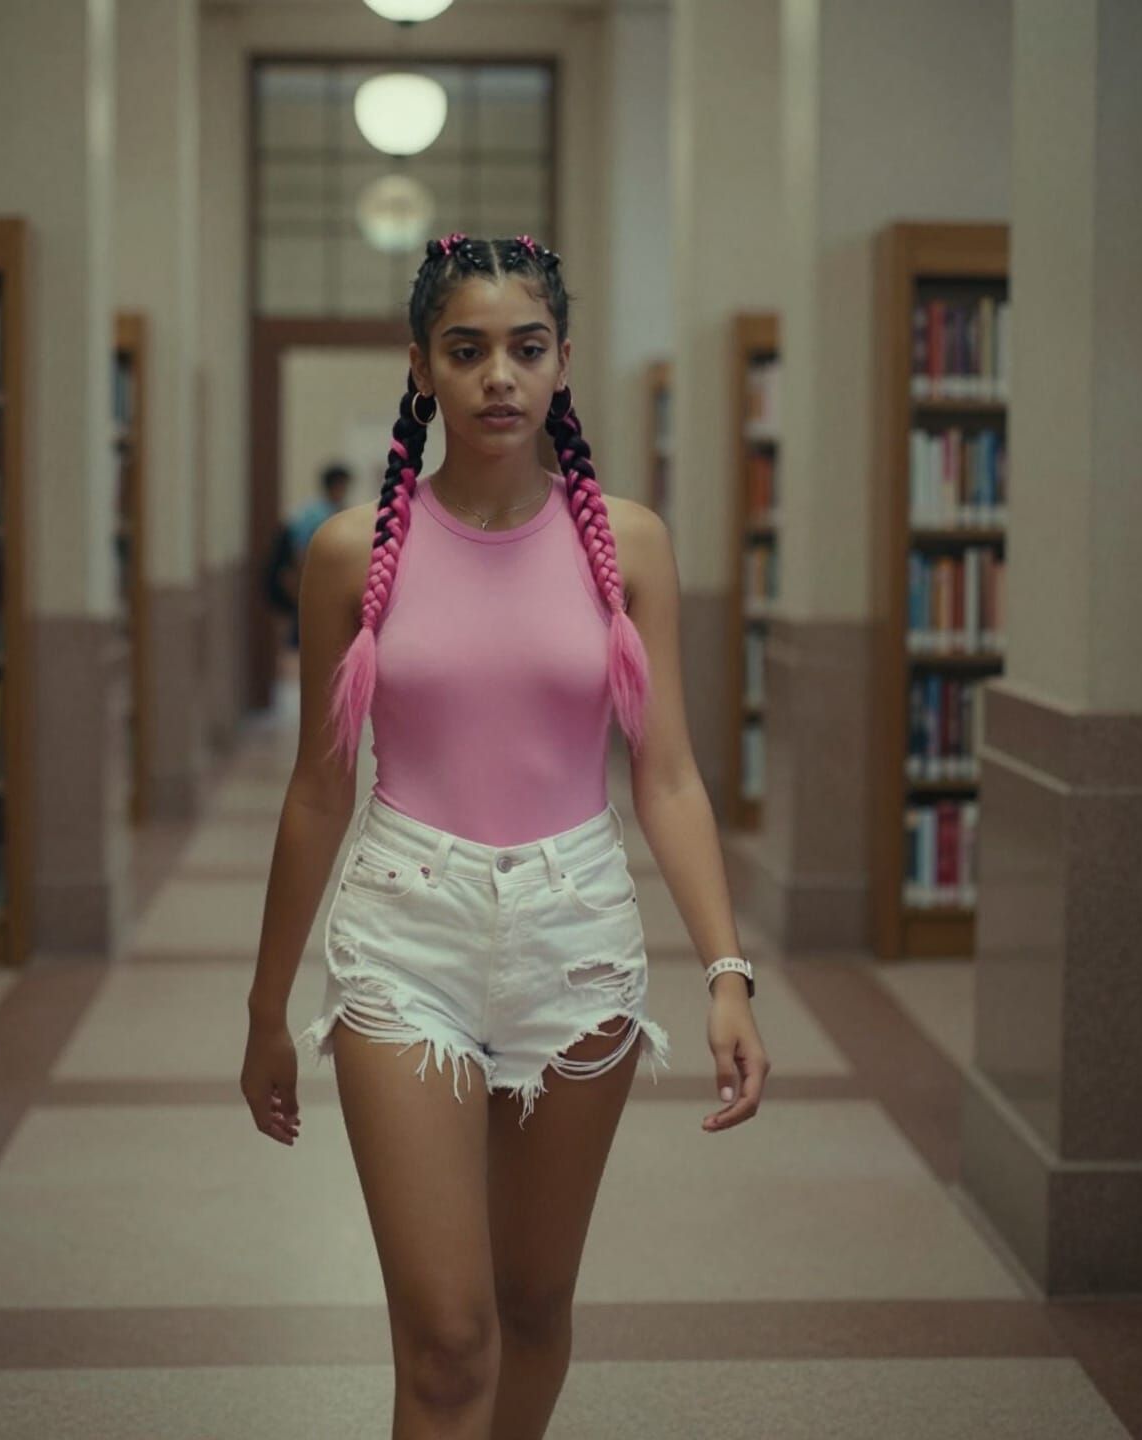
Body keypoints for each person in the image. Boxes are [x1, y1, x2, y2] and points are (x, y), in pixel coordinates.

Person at [240, 232, 770, 1437]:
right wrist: (268, 1005)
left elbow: (671, 777)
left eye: (526, 349)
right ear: (421, 367)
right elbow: (319, 793)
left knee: (532, 1305)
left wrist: (728, 975)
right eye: (466, 350)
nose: (499, 377)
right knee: (446, 1339)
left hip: (577, 932)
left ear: (562, 364)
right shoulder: (350, 553)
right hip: (400, 939)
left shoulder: (626, 545)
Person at [275, 463, 353, 650]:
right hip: (308, 579)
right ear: (335, 486)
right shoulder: (317, 515)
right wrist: (301, 581)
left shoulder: (329, 511)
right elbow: (301, 551)